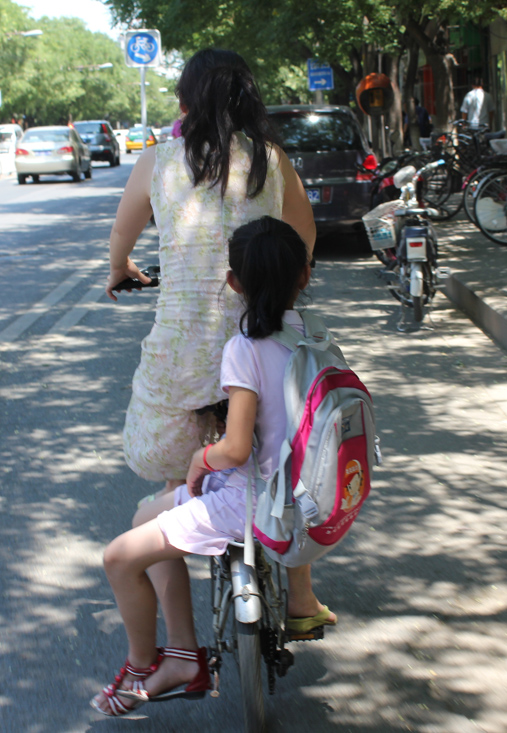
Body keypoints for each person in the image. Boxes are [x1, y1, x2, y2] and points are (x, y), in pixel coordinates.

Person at [91, 217, 337, 717]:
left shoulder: (245, 350)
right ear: (305, 276)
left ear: (233, 283)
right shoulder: (315, 338)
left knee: (119, 556)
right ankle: (199, 646)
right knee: (147, 517)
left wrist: (201, 458)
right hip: (310, 496)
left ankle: (152, 663)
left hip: (248, 500)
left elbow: (236, 449)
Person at [106, 48, 315, 501]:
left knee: (175, 485)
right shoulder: (271, 160)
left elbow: (122, 232)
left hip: (182, 362)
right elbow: (304, 240)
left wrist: (120, 267)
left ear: (184, 105)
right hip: (263, 346)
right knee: (277, 482)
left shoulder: (157, 162)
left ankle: (165, 548)